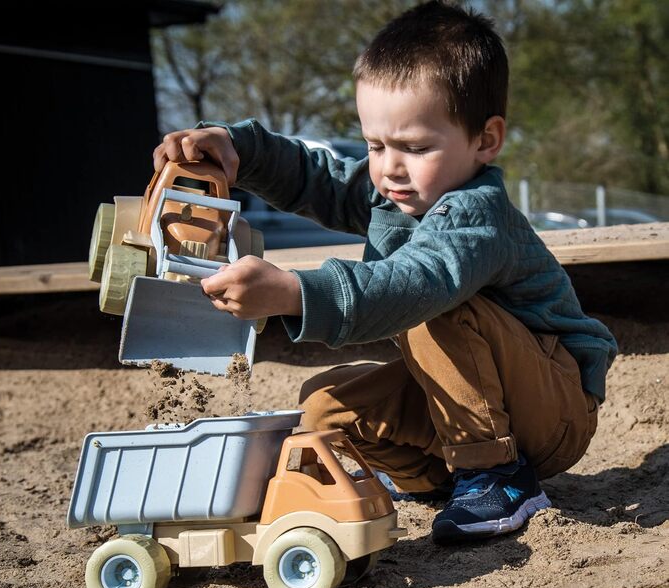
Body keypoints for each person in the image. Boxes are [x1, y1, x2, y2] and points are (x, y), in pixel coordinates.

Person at [152, 0, 617, 544]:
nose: (390, 166)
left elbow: (411, 284)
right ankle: (436, 480)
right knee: (323, 409)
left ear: (485, 140)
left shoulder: (476, 215)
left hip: (554, 408)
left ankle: (495, 472)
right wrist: (238, 148)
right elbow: (315, 177)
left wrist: (294, 293)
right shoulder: (394, 194)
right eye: (375, 144)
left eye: (415, 147)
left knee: (434, 303)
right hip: (489, 401)